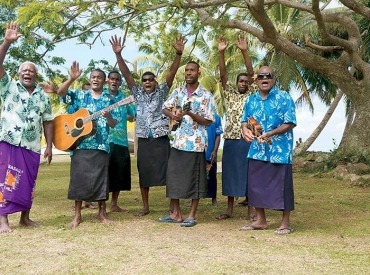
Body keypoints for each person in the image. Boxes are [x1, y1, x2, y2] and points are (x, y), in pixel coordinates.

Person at [110, 35, 185, 216]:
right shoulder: (137, 93)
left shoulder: (161, 91)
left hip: (160, 138)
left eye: (151, 79)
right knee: (144, 174)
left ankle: (173, 206)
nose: (147, 82)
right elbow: (127, 74)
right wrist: (118, 55)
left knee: (169, 172)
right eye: (145, 80)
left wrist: (178, 53)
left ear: (155, 82)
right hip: (143, 139)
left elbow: (172, 73)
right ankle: (145, 206)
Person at [0, 21, 53, 233]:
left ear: (35, 75)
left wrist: (49, 146)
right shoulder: (8, 86)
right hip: (9, 141)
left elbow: (47, 121)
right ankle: (2, 219)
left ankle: (25, 218)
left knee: (29, 182)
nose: (27, 73)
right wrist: (7, 43)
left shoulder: (43, 96)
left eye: (31, 71)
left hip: (31, 145)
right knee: (5, 179)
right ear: (19, 73)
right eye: (24, 70)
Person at [55, 62, 119, 228]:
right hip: (80, 145)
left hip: (101, 146)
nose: (95, 79)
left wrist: (109, 116)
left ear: (105, 81)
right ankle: (77, 215)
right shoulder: (80, 95)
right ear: (89, 80)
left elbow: (113, 124)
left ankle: (102, 214)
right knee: (78, 180)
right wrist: (71, 78)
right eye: (93, 77)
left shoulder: (109, 99)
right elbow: (60, 93)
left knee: (101, 181)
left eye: (99, 77)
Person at [240, 66, 296, 235]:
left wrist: (271, 133)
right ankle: (260, 220)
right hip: (257, 149)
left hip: (280, 150)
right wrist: (245, 130)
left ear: (273, 79)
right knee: (256, 185)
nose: (265, 78)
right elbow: (245, 121)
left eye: (268, 76)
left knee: (282, 187)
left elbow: (290, 122)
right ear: (256, 80)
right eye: (261, 76)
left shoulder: (284, 97)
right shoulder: (251, 100)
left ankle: (285, 223)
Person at [160, 61, 216, 227]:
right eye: (186, 71)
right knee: (173, 177)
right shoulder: (178, 92)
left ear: (199, 72)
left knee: (196, 178)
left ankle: (191, 215)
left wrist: (189, 113)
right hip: (178, 142)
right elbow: (164, 108)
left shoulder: (206, 95)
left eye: (192, 70)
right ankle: (176, 213)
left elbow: (208, 121)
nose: (188, 73)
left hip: (196, 143)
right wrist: (174, 115)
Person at [216, 35, 255, 221]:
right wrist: (221, 52)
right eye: (241, 81)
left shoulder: (253, 95)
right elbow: (223, 75)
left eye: (246, 81)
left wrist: (244, 51)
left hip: (248, 139)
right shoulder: (230, 93)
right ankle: (229, 210)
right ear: (237, 83)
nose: (244, 83)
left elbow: (251, 71)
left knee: (249, 173)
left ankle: (251, 211)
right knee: (230, 174)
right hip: (230, 138)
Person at [106, 70, 136, 212]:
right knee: (102, 172)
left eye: (117, 79)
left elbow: (134, 114)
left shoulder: (125, 98)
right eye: (112, 78)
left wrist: (130, 116)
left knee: (119, 173)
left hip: (121, 141)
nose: (114, 81)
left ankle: (114, 204)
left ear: (120, 82)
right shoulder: (101, 97)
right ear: (107, 80)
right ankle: (96, 202)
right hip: (104, 141)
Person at [205, 113, 223, 206]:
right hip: (198, 152)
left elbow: (218, 135)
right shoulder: (197, 115)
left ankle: (214, 199)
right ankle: (195, 198)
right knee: (197, 177)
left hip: (210, 152)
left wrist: (215, 150)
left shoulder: (216, 117)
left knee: (212, 176)